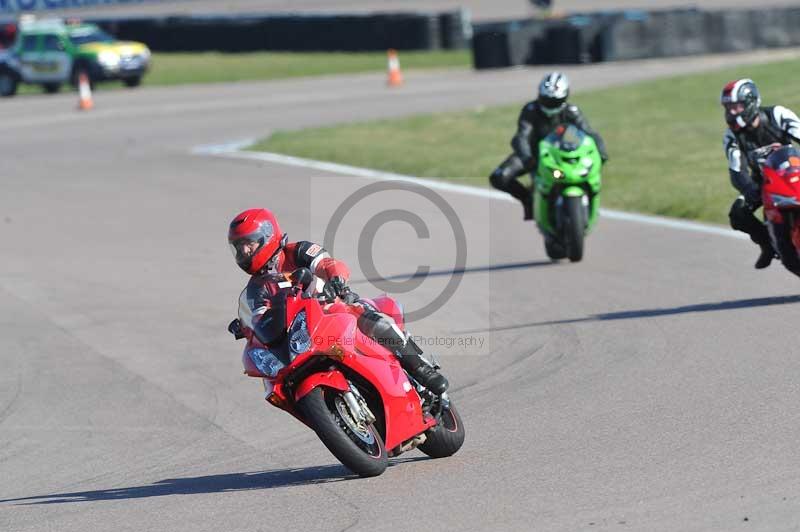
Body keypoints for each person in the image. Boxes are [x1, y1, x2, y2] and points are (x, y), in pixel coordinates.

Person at [226, 208, 449, 395]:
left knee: (373, 321)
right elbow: (258, 317)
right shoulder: (256, 288)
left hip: (332, 307)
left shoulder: (296, 252)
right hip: (302, 333)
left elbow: (326, 263)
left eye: (248, 244)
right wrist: (247, 330)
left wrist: (336, 278)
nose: (244, 252)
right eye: (239, 248)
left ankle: (419, 368)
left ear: (266, 235)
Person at [489, 71, 608, 220]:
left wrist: (601, 151)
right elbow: (521, 136)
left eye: (554, 101)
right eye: (546, 100)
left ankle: (589, 203)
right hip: (533, 154)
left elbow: (589, 134)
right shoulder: (530, 110)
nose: (549, 105)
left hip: (560, 155)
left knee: (588, 173)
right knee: (499, 177)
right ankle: (528, 200)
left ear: (565, 97)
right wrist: (527, 158)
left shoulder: (571, 112)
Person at [721, 78, 800, 269]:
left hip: (793, 171)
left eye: (737, 106)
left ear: (751, 102)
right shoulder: (731, 136)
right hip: (762, 182)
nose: (732, 112)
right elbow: (736, 170)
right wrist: (749, 189)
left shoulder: (777, 114)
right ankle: (767, 244)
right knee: (738, 213)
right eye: (728, 107)